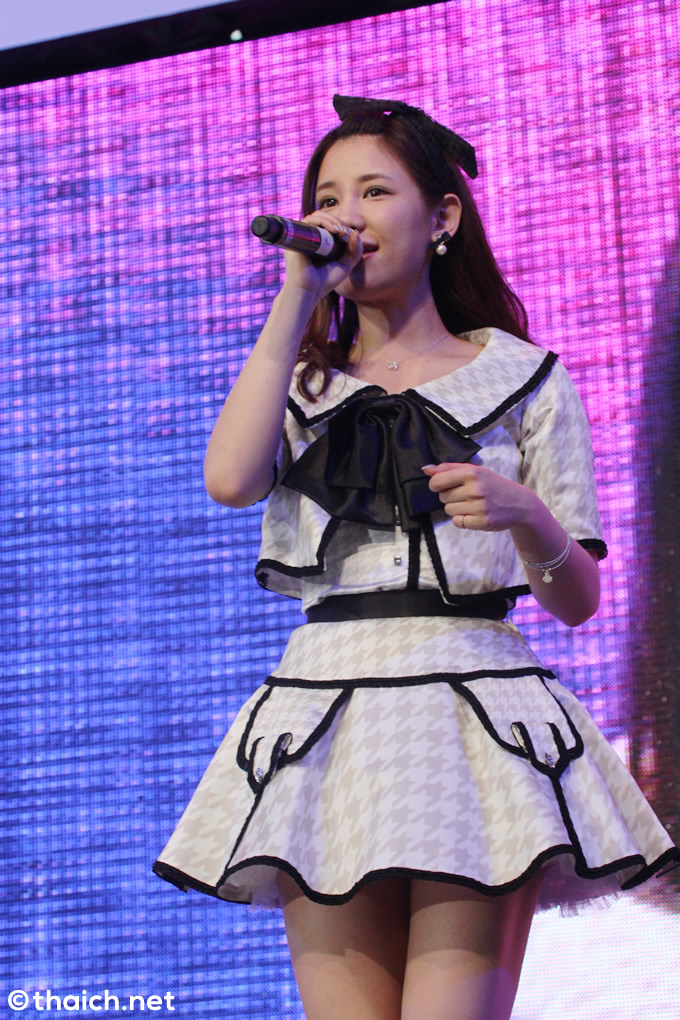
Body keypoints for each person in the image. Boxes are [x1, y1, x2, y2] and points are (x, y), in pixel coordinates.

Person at [154, 95, 679, 1020]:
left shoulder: (524, 378)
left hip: (473, 713)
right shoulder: (302, 384)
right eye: (327, 197)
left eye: (373, 191)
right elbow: (231, 480)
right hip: (327, 715)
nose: (345, 215)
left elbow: (579, 600)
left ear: (442, 217)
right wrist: (297, 294)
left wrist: (528, 517)